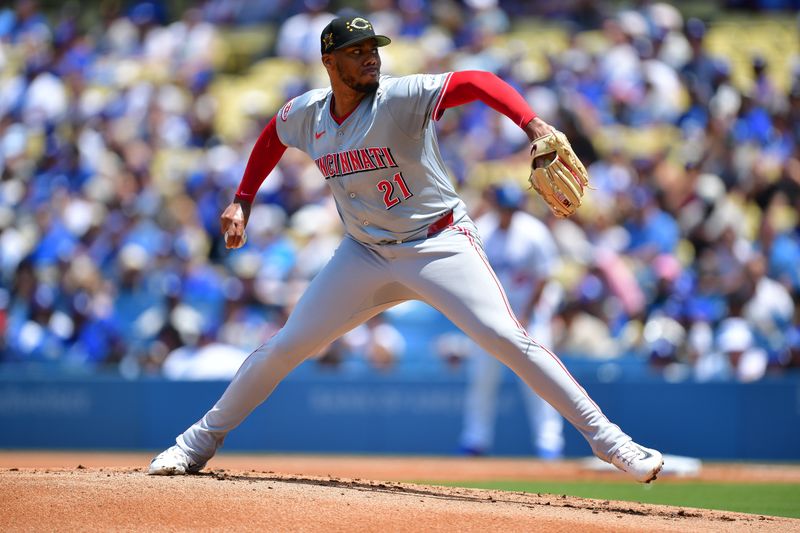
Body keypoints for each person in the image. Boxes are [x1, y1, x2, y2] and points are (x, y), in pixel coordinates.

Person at [148, 14, 664, 483]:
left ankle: (613, 443)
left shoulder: (400, 97)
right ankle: (193, 445)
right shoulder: (308, 114)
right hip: (365, 254)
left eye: (374, 47)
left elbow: (477, 81)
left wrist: (531, 124)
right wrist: (243, 199)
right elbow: (272, 135)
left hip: (438, 243)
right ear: (329, 62)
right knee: (285, 346)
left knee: (508, 340)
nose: (371, 56)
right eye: (357, 50)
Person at [459, 182, 564, 460]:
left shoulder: (533, 232)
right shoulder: (483, 228)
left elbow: (544, 276)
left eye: (511, 209)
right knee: (482, 379)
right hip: (492, 317)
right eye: (504, 208)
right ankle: (475, 440)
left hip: (529, 317)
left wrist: (526, 314)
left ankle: (548, 443)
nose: (507, 214)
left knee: (541, 379)